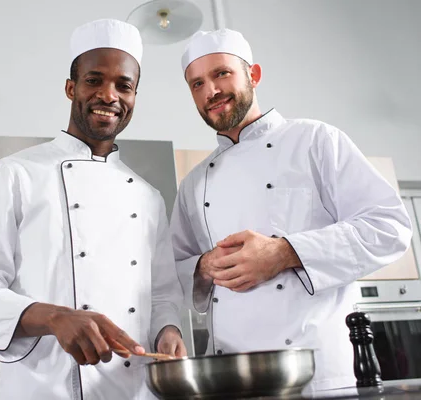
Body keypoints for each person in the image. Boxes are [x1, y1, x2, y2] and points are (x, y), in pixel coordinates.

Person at [0, 19, 186, 400]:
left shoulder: (148, 197)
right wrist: (55, 317)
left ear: (133, 97)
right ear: (71, 88)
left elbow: (161, 294)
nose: (109, 95)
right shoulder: (15, 174)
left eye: (123, 85)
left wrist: (169, 331)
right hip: (43, 386)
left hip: (133, 389)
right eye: (94, 80)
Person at [170, 28, 412, 392]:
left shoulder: (316, 141)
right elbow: (172, 271)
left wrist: (284, 252)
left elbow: (389, 227)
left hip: (318, 375)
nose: (211, 92)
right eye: (197, 84)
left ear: (253, 75)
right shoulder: (194, 184)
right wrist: (203, 266)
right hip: (233, 377)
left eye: (221, 74)